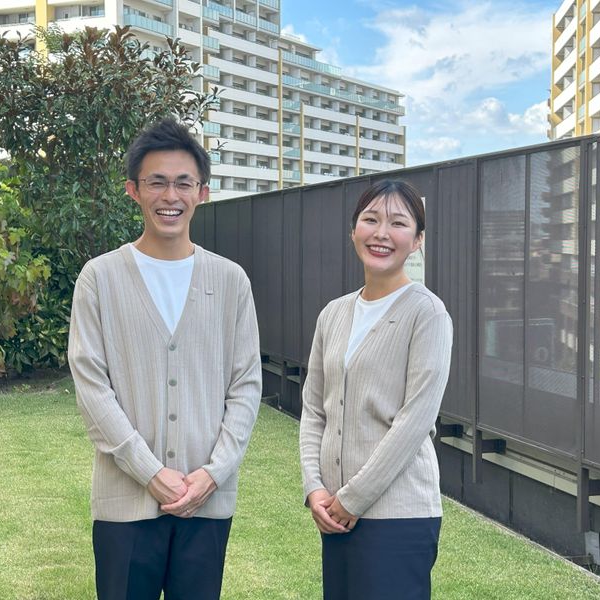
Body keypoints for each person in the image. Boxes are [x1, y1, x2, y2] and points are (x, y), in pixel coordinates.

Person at [68, 118, 261, 600]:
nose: (169, 196)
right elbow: (92, 388)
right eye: (156, 182)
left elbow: (245, 386)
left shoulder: (231, 281)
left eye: (183, 183)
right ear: (133, 190)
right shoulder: (100, 278)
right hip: (125, 503)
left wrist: (213, 474)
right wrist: (150, 473)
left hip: (206, 499)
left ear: (203, 192)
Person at [299, 179, 453, 600]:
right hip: (334, 513)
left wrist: (353, 499)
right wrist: (315, 489)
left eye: (398, 223)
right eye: (370, 220)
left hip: (398, 517)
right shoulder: (333, 314)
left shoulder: (428, 314)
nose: (381, 233)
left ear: (417, 240)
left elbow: (414, 423)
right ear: (354, 231)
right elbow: (314, 410)